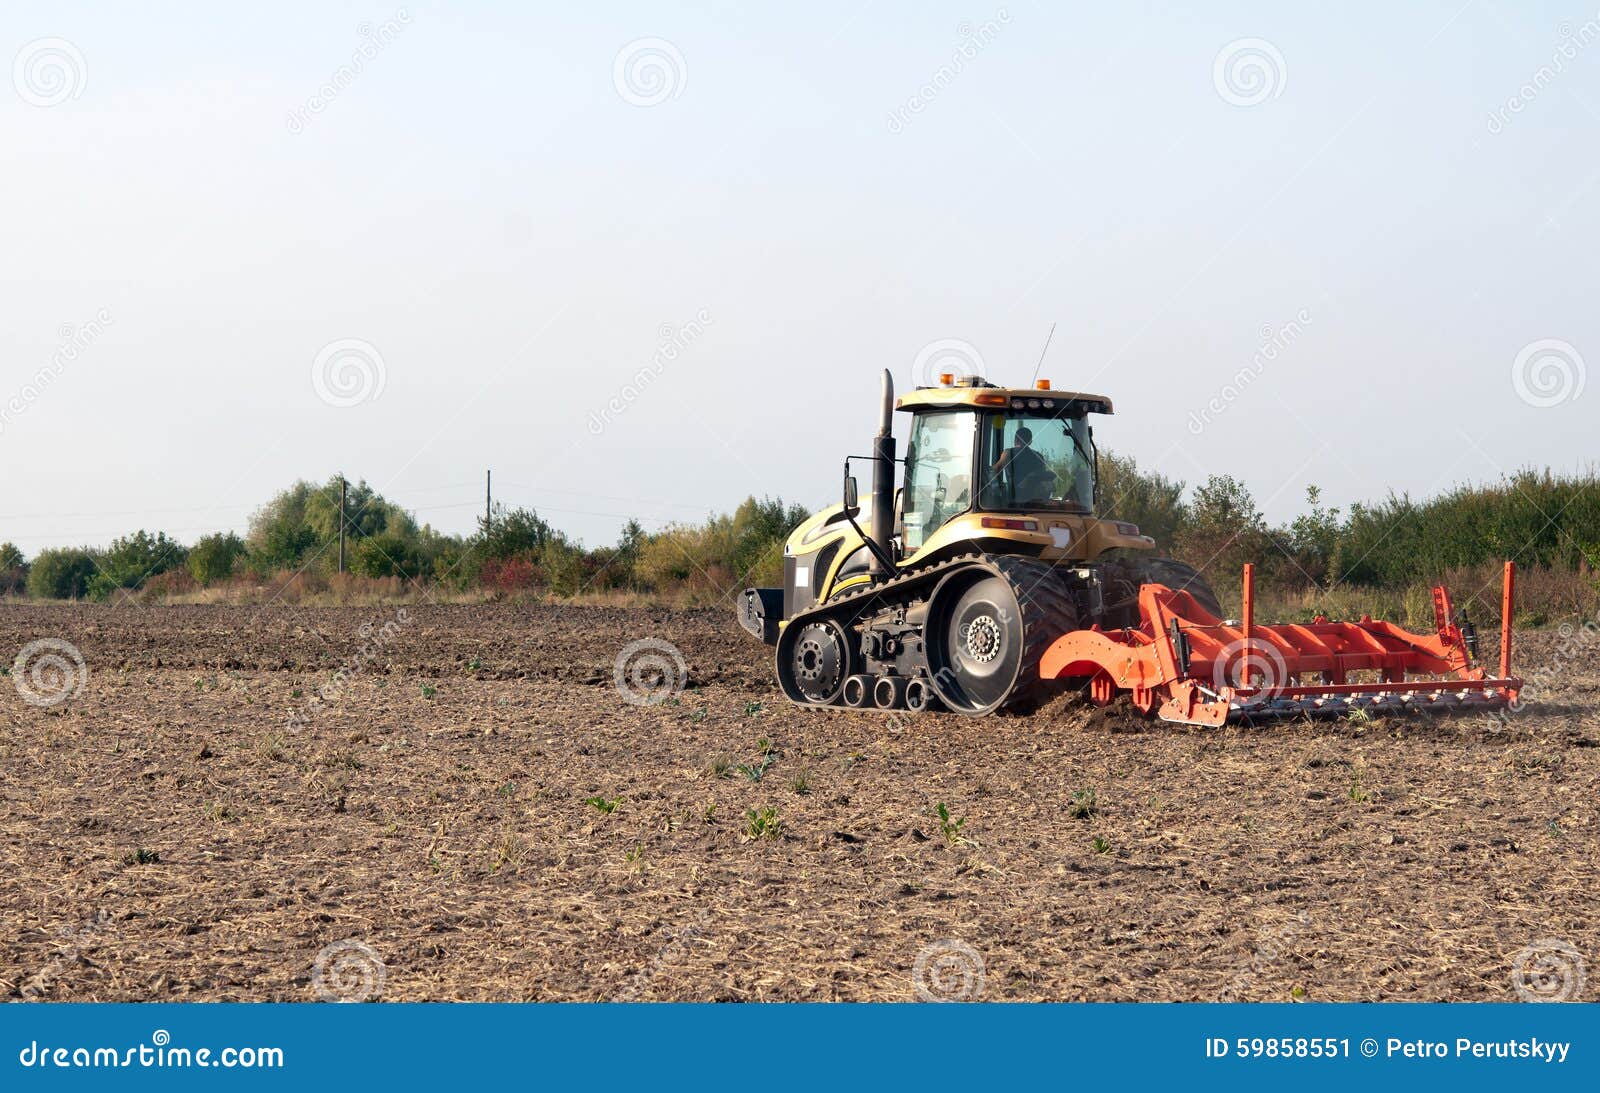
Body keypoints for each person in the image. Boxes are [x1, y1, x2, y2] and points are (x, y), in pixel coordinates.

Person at [990, 426, 1055, 502]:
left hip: (1012, 500)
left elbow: (994, 471)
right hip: (1034, 500)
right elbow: (1042, 478)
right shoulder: (1039, 457)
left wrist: (995, 490)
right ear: (1030, 442)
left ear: (1015, 440)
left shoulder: (1008, 453)